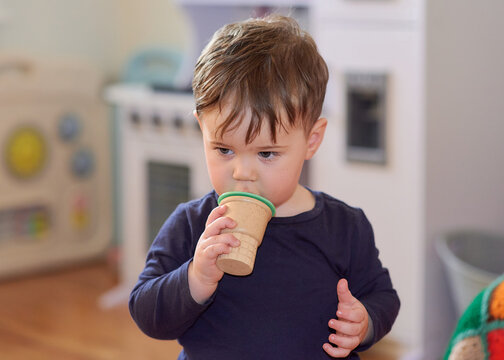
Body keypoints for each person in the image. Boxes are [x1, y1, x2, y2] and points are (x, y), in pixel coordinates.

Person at [129, 14, 400, 360]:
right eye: (224, 149)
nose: (242, 172)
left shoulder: (344, 227)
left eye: (267, 153)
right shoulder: (193, 224)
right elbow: (145, 311)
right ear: (202, 131)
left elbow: (383, 296)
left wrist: (364, 322)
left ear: (311, 140)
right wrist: (195, 277)